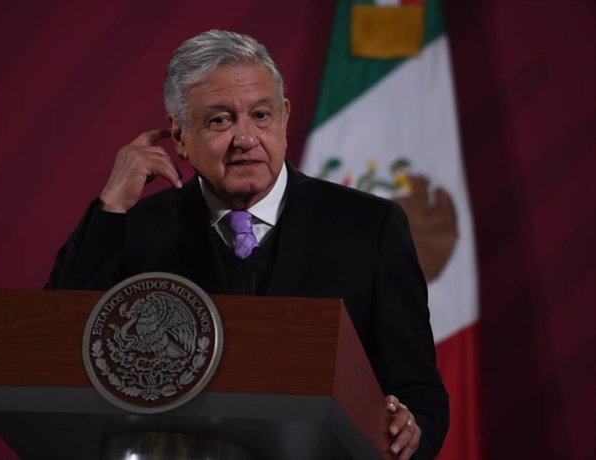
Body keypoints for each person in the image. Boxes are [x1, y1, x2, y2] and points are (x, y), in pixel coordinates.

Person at [47, 30, 448, 459]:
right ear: (179, 136)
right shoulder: (138, 228)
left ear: (285, 117)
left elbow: (418, 391)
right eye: (220, 120)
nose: (246, 138)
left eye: (261, 115)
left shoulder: (369, 227)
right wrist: (111, 206)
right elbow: (52, 351)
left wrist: (412, 429)